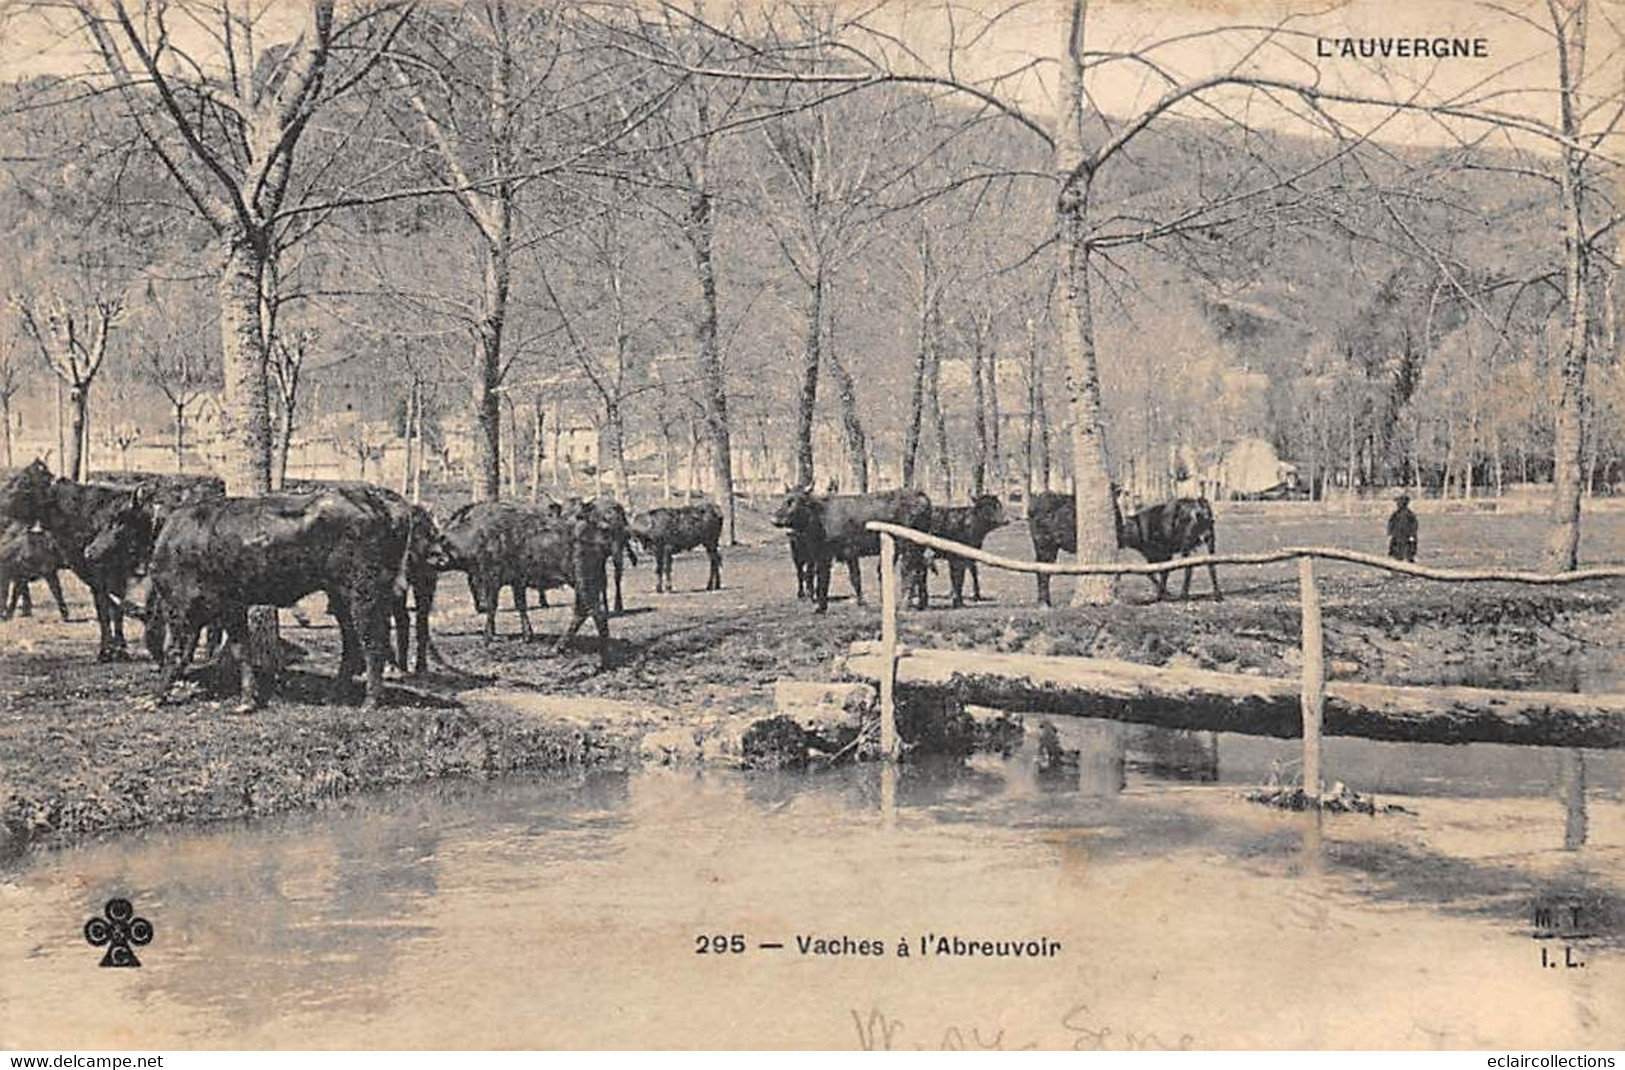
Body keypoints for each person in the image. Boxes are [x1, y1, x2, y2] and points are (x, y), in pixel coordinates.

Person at [1387, 493, 1418, 561]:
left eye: (1399, 502)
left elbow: (1414, 525)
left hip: (1406, 536)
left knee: (1408, 550)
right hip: (1397, 536)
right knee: (1396, 551)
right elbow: (1391, 523)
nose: (1397, 504)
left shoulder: (1410, 514)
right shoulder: (1396, 514)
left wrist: (1412, 535)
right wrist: (1390, 533)